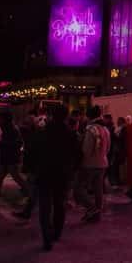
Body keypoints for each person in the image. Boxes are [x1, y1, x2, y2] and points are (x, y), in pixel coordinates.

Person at [32, 105, 79, 252]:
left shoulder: (42, 132)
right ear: (66, 116)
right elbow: (78, 156)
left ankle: (47, 239)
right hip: (62, 175)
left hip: (44, 173)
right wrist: (71, 169)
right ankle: (56, 233)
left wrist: (34, 169)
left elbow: (32, 153)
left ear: (51, 115)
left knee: (45, 208)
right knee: (60, 205)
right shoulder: (71, 134)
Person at [74, 106, 111, 223]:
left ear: (89, 116)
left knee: (78, 189)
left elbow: (86, 150)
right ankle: (97, 213)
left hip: (89, 164)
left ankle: (92, 208)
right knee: (98, 189)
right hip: (103, 163)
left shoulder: (91, 129)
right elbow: (108, 148)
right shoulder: (105, 129)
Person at [0, 110, 26, 203]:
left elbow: (18, 143)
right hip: (7, 157)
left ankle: (31, 195)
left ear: (5, 119)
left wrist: (1, 143)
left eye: (0, 118)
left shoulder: (12, 129)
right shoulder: (7, 128)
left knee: (16, 178)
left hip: (11, 158)